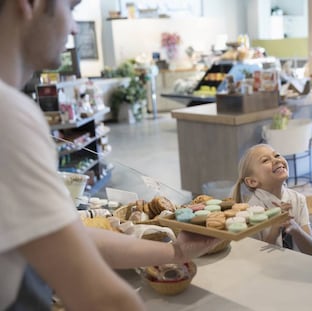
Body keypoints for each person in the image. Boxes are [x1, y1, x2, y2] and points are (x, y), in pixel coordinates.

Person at [0, 1, 220, 310]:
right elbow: (97, 295)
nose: (75, 27)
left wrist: (177, 252)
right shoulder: (9, 115)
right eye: (70, 7)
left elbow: (74, 241)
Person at [231, 144, 312, 255]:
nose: (276, 160)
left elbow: (310, 250)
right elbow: (255, 256)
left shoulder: (298, 200)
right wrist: (274, 231)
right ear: (252, 181)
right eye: (265, 160)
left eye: (277, 155)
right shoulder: (251, 212)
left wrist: (295, 229)